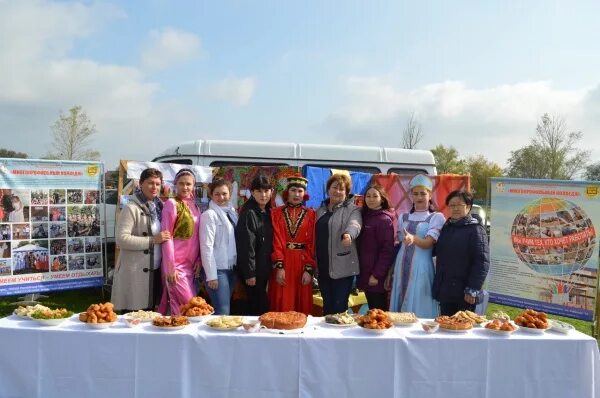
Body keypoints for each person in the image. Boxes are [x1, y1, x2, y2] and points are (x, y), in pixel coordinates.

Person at [111, 168, 171, 312]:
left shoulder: (159, 206)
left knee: (152, 317)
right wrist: (152, 240)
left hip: (155, 270)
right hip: (135, 272)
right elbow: (122, 239)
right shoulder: (131, 208)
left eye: (158, 184)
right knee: (133, 319)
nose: (154, 187)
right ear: (141, 184)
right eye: (150, 183)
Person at [388, 174, 445, 317]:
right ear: (411, 196)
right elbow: (400, 245)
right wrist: (391, 271)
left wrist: (413, 238)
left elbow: (428, 244)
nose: (419, 197)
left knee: (420, 303)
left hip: (422, 267)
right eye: (415, 194)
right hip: (402, 265)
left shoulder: (436, 217)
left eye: (423, 193)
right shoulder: (403, 217)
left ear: (430, 195)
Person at [432, 190, 490, 316]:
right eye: (452, 205)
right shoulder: (447, 227)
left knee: (463, 328)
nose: (455, 208)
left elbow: (482, 262)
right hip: (446, 289)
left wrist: (472, 289)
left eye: (459, 205)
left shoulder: (475, 230)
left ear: (468, 207)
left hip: (464, 292)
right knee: (445, 326)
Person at [269, 175, 316, 315]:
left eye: (300, 191)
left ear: (305, 194)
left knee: (301, 301)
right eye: (293, 190)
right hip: (284, 260)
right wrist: (279, 266)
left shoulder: (311, 214)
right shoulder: (276, 213)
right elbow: (277, 240)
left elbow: (311, 242)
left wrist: (309, 269)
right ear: (287, 192)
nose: (296, 194)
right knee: (282, 299)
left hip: (302, 262)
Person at [316, 173, 362, 315]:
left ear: (346, 192)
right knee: (327, 307)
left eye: (341, 189)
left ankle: (339, 336)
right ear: (328, 189)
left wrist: (349, 234)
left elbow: (355, 224)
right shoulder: (320, 210)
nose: (337, 191)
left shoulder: (352, 209)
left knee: (339, 308)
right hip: (323, 268)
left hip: (342, 268)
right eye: (334, 187)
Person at [158, 168, 201, 315]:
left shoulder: (195, 206)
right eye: (181, 184)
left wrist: (199, 260)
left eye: (188, 184)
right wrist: (170, 267)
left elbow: (198, 236)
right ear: (176, 184)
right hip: (176, 266)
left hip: (191, 266)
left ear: (193, 186)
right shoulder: (171, 204)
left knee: (185, 307)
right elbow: (167, 236)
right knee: (188, 306)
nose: (185, 187)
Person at [235, 175, 274, 315]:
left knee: (261, 306)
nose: (263, 195)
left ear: (271, 191)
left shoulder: (268, 212)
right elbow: (246, 245)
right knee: (257, 309)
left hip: (264, 269)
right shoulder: (249, 213)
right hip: (254, 272)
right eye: (259, 191)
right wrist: (249, 273)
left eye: (266, 191)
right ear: (252, 193)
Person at [200, 177, 238, 315]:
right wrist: (211, 276)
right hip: (218, 270)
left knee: (223, 310)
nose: (221, 197)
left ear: (230, 193)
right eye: (217, 194)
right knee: (223, 312)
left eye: (224, 193)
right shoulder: (209, 215)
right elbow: (206, 247)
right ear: (211, 194)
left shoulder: (232, 213)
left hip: (231, 268)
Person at [357, 184, 395, 311]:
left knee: (378, 312)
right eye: (368, 196)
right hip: (365, 273)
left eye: (375, 196)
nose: (371, 199)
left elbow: (387, 250)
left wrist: (376, 274)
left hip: (375, 276)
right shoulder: (366, 216)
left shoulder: (384, 220)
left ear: (382, 199)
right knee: (372, 310)